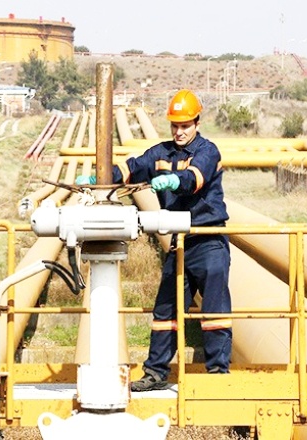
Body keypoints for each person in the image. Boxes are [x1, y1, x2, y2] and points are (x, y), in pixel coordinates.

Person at [76, 89, 232, 392]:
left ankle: (217, 375)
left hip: (208, 240)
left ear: (197, 123)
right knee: (165, 312)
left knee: (214, 312)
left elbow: (195, 178)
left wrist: (176, 181)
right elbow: (133, 167)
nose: (179, 131)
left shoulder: (208, 151)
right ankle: (156, 373)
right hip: (179, 244)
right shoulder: (161, 153)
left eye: (185, 125)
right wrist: (101, 177)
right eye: (175, 125)